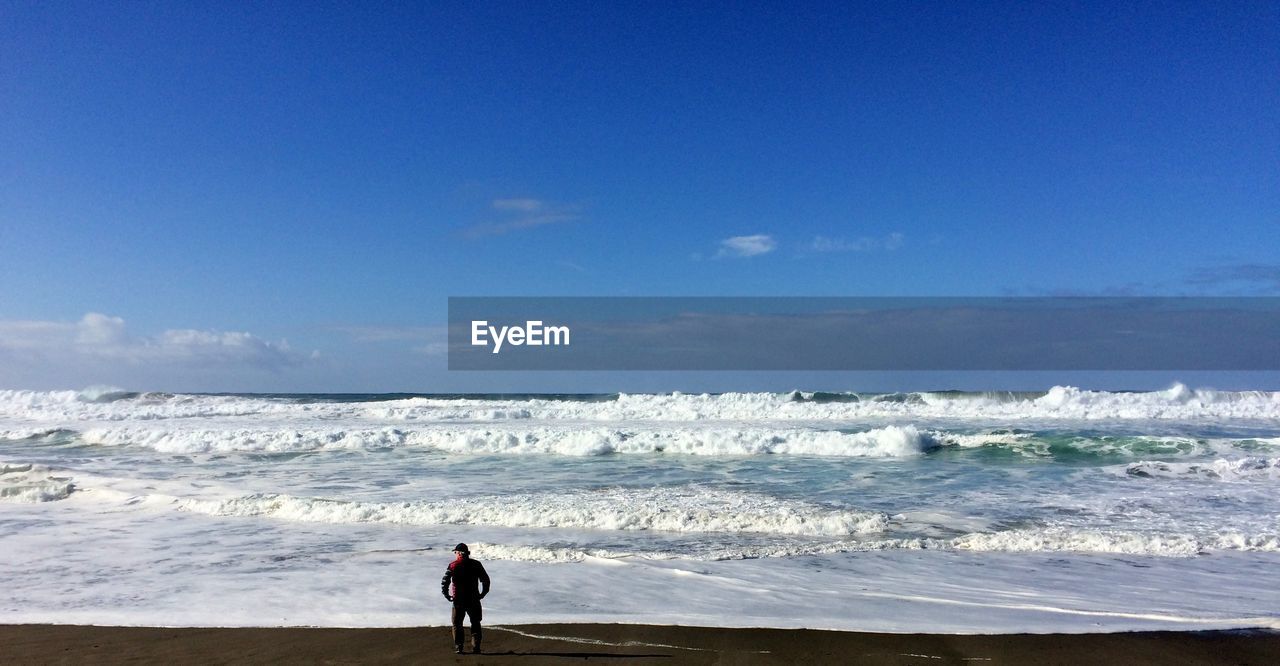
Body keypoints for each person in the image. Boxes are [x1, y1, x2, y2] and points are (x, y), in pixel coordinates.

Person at [441, 542, 490, 654]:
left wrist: (447, 595)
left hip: (458, 600)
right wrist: (482, 594)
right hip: (473, 599)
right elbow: (485, 580)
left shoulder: (453, 565)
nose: (455, 554)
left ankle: (459, 647)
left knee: (457, 624)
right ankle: (476, 647)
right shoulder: (476, 564)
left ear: (458, 553)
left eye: (455, 552)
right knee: (475, 623)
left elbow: (445, 582)